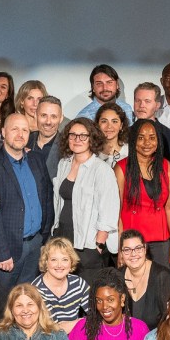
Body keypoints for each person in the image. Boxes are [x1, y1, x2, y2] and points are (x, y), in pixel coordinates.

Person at [0, 112, 55, 301]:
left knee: (27, 302)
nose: (20, 134)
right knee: (3, 304)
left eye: (25, 130)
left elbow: (46, 197)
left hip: (35, 245)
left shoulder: (36, 160)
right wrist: (2, 253)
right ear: (3, 132)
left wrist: (43, 237)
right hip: (9, 251)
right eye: (15, 129)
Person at [51, 117, 119, 281]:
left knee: (87, 295)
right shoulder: (64, 164)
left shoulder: (101, 170)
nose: (77, 139)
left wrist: (99, 243)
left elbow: (109, 208)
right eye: (73, 135)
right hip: (63, 237)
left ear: (92, 138)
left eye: (83, 135)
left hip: (88, 243)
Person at [115, 119, 170, 266]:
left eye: (152, 138)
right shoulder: (121, 168)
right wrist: (120, 248)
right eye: (140, 138)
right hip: (132, 242)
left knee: (161, 284)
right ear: (133, 141)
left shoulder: (166, 166)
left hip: (160, 241)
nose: (147, 143)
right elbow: (116, 212)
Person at [118, 229, 170, 329]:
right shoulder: (117, 277)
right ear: (121, 253)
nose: (133, 254)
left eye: (138, 248)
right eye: (127, 250)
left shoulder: (163, 277)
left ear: (145, 248)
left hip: (157, 339)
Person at [31, 237, 90, 334]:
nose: (59, 265)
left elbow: (96, 314)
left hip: (74, 336)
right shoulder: (37, 290)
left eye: (65, 259)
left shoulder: (78, 283)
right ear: (46, 262)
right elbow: (54, 329)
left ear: (71, 262)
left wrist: (78, 323)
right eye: (54, 260)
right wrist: (82, 322)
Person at [130, 82, 170, 161]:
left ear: (157, 105)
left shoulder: (169, 136)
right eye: (137, 100)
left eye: (147, 101)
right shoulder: (124, 133)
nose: (141, 105)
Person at [26, 96, 65, 174]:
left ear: (61, 119)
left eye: (53, 117)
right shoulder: (24, 140)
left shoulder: (67, 147)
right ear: (35, 116)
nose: (48, 122)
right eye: (44, 115)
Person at [96, 101, 130, 168]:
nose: (109, 126)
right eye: (104, 121)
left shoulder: (130, 152)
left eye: (114, 121)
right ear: (97, 124)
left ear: (121, 126)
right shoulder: (91, 152)